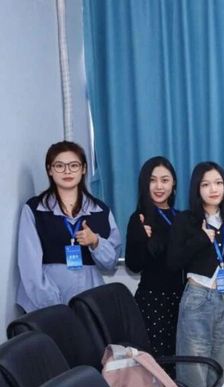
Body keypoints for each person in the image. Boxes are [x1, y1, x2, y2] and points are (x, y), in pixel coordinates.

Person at [17, 141, 121, 312]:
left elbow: (109, 264)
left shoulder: (101, 210)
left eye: (74, 165)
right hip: (44, 303)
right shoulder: (34, 209)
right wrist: (54, 306)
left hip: (89, 303)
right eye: (59, 166)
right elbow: (30, 267)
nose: (67, 171)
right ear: (50, 170)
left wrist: (95, 242)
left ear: (84, 169)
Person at [168, 162, 224, 387]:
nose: (214, 189)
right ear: (196, 189)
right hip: (198, 298)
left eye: (218, 183)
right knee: (194, 368)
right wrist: (201, 239)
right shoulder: (185, 220)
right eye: (206, 184)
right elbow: (173, 262)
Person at [125, 157, 184, 358]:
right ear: (145, 184)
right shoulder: (139, 218)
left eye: (165, 180)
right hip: (153, 302)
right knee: (157, 362)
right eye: (152, 180)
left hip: (183, 300)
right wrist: (141, 239)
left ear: (173, 184)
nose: (159, 186)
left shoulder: (182, 217)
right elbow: (133, 265)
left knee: (181, 360)